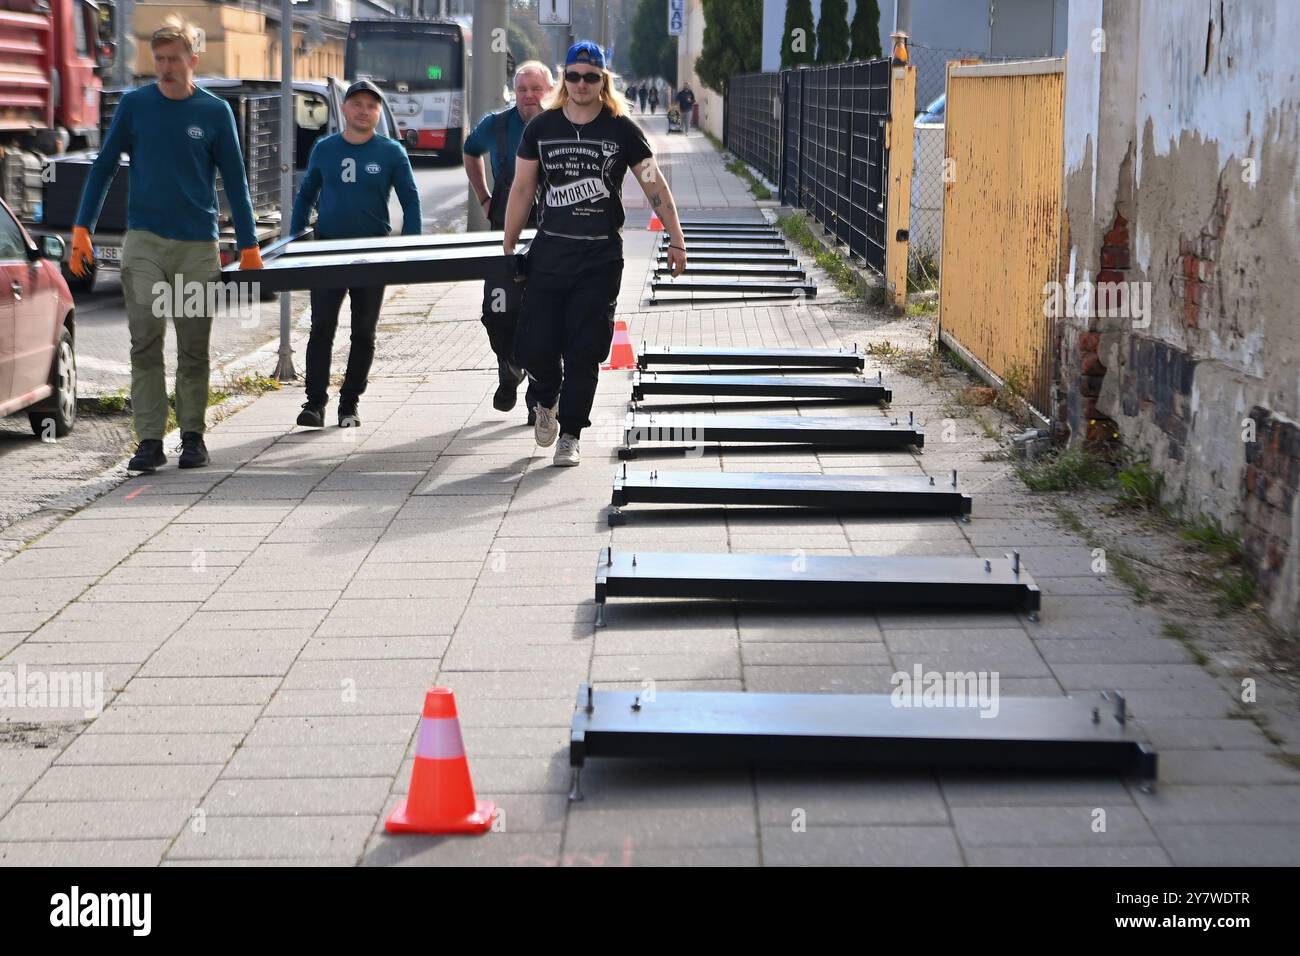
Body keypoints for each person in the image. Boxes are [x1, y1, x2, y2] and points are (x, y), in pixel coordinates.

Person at [71, 23, 263, 473]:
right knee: (145, 343)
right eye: (159, 59)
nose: (166, 67)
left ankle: (193, 436)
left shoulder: (215, 113)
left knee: (194, 346)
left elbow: (235, 181)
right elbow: (102, 168)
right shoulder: (136, 107)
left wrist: (250, 244)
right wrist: (82, 228)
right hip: (145, 243)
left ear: (193, 59)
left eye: (174, 58)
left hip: (197, 244)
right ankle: (150, 440)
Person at [502, 41, 687, 467]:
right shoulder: (542, 128)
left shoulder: (621, 129)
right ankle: (546, 399)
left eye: (591, 76)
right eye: (574, 75)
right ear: (563, 78)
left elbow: (653, 185)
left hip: (599, 258)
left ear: (603, 81)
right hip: (549, 253)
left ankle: (570, 433)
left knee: (585, 350)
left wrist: (676, 238)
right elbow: (523, 188)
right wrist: (509, 245)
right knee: (534, 347)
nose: (582, 84)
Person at [290, 80, 421, 429]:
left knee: (363, 332)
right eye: (357, 104)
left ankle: (350, 403)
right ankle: (314, 402)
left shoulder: (391, 152)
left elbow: (410, 199)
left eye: (371, 106)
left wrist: (412, 245)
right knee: (321, 328)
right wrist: (294, 239)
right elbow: (306, 195)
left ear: (379, 113)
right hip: (329, 247)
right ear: (345, 109)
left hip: (372, 250)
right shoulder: (325, 148)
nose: (364, 111)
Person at [462, 61, 554, 424]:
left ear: (550, 89)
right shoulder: (496, 125)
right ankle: (509, 366)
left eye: (536, 88)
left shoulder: (563, 124)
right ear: (513, 92)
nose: (529, 95)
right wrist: (484, 197)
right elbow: (470, 152)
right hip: (504, 230)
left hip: (550, 230)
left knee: (544, 315)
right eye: (522, 89)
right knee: (496, 313)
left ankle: (537, 395)